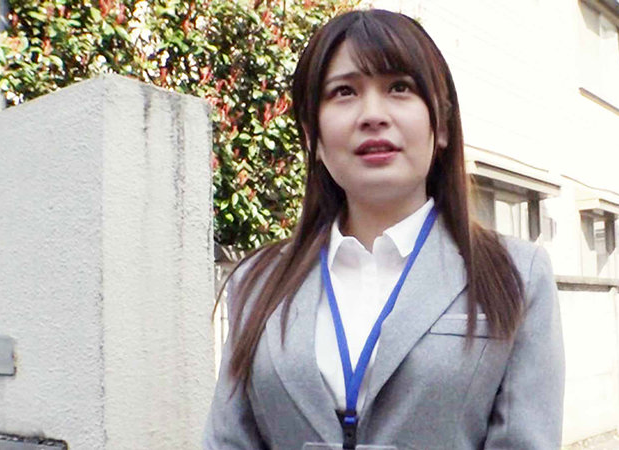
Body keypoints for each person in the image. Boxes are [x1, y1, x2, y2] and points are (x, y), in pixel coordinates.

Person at [204, 8, 565, 450]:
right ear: (312, 136)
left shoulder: (517, 274)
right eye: (344, 91)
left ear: (441, 125)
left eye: (399, 88)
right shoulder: (257, 282)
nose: (372, 115)